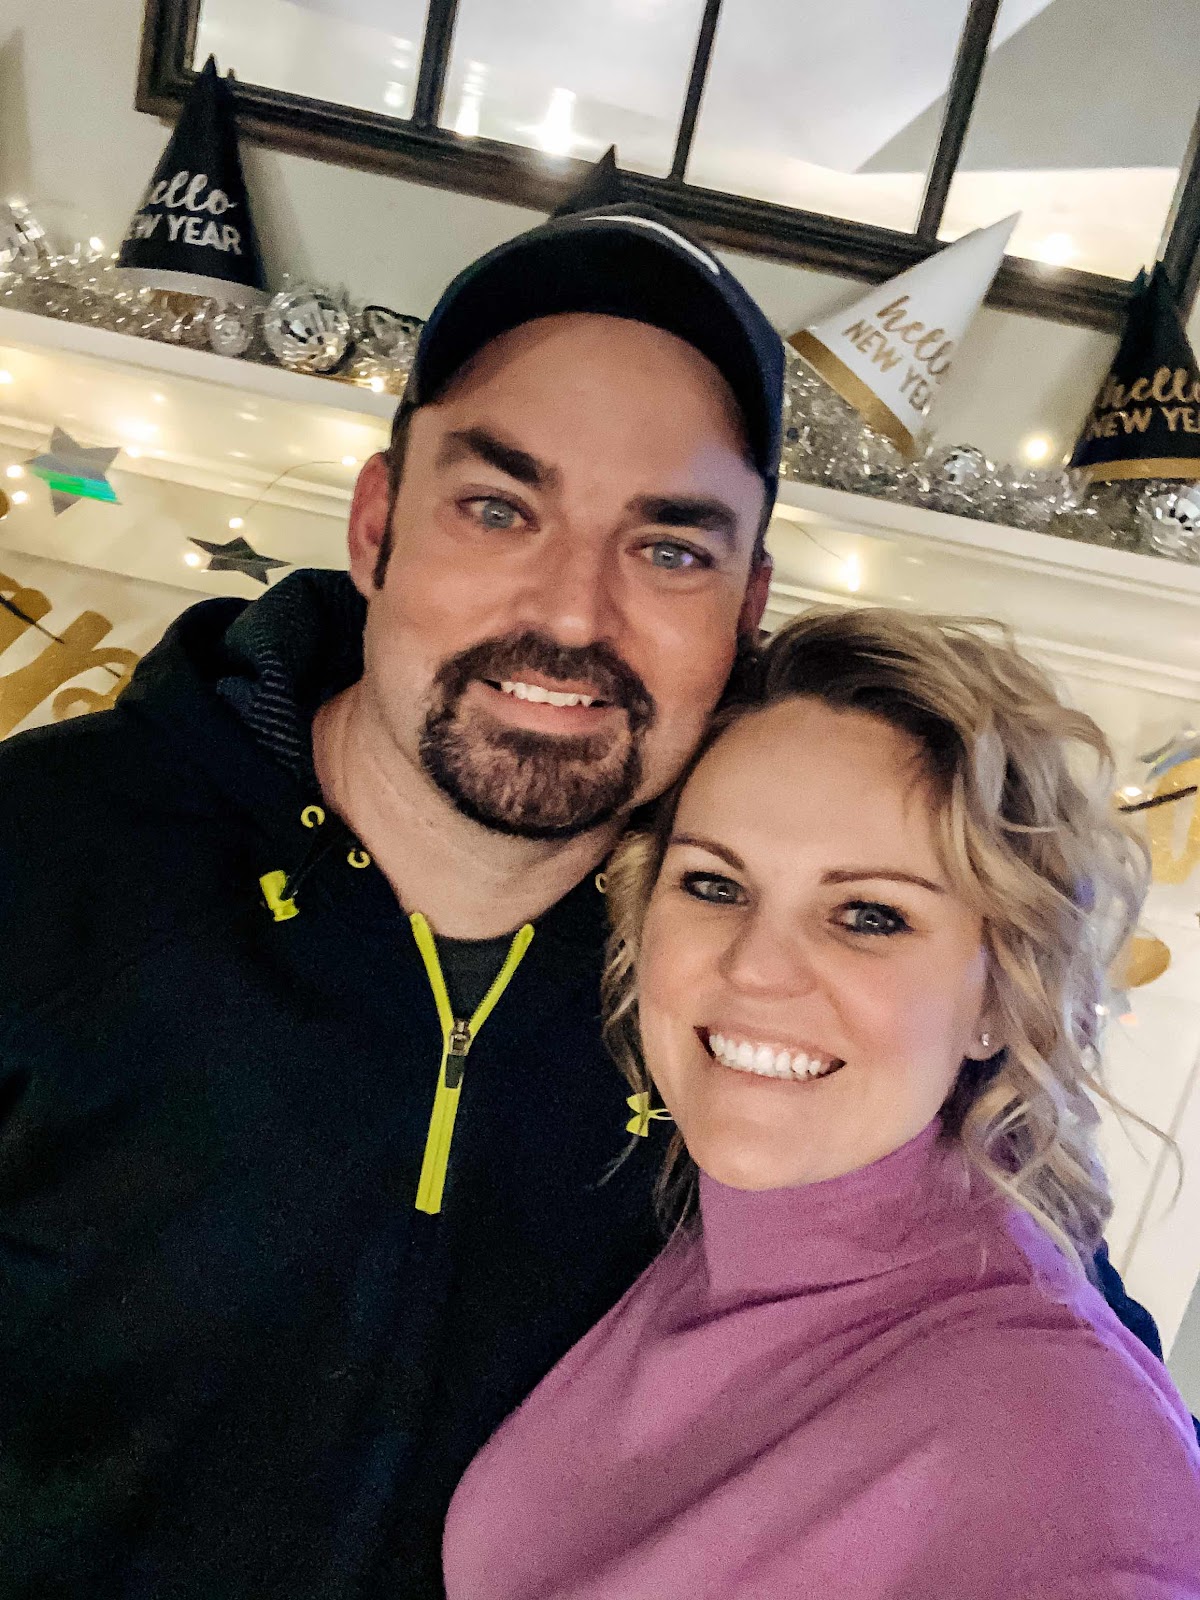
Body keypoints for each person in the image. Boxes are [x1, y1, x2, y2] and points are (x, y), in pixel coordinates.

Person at [0, 200, 1165, 1598]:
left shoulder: (743, 1005)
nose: (569, 613)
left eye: (670, 548)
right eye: (499, 508)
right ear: (376, 526)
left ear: (746, 605)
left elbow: (1068, 1399)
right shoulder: (41, 857)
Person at [443, 608, 1200, 1600]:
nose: (755, 967)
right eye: (714, 884)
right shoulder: (677, 1234)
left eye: (869, 914)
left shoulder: (1066, 1452)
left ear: (1000, 997)